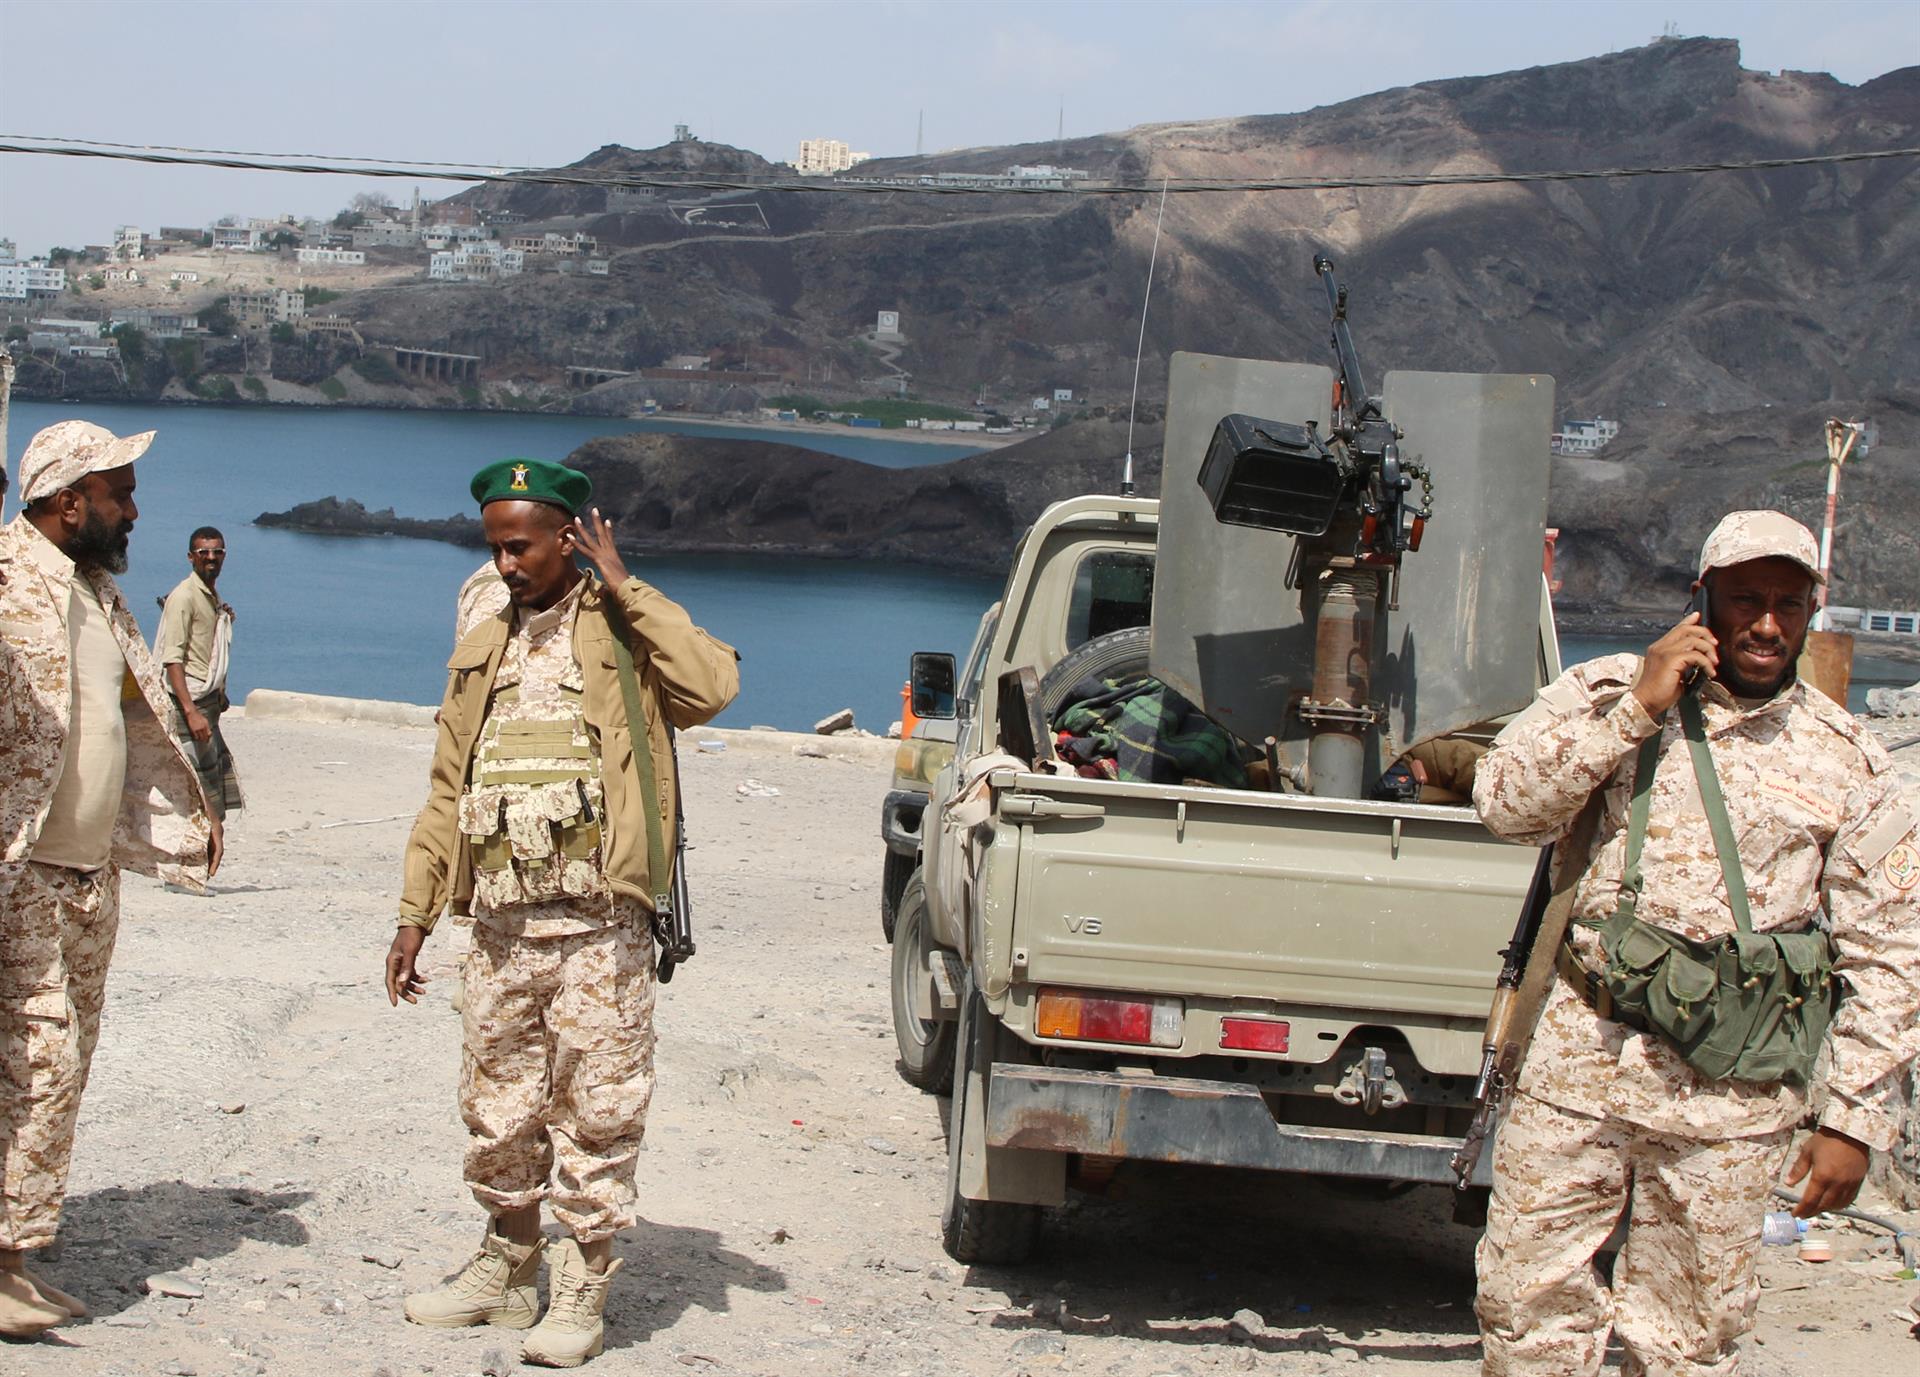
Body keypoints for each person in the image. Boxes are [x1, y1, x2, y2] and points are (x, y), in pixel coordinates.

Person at [1470, 510, 1920, 1377]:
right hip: (1580, 1075)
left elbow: (1892, 953)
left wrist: (1855, 1122)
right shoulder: (1607, 693)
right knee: (1527, 1314)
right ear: (1699, 599)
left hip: (1733, 1103)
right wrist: (1637, 708)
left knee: (1686, 1339)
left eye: (1789, 604)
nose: (1765, 623)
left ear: (1812, 613)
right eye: (1745, 598)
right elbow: (1506, 806)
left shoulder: (1847, 756)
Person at [385, 458, 738, 1367]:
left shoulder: (621, 627)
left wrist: (627, 585)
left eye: (520, 546)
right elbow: (446, 784)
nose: (505, 563)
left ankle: (582, 1284)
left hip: (599, 927)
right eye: (494, 547)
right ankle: (507, 1266)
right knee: (498, 1106)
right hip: (500, 926)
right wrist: (416, 912)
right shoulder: (483, 641)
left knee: (597, 1107)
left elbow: (713, 687)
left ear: (568, 538)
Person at [0, 420, 221, 1337]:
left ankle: (15, 1252)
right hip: (23, 873)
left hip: (90, 876)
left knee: (63, 1058)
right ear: (66, 500)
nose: (134, 510)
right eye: (119, 494)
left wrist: (183, 822)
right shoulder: (8, 587)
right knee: (37, 1056)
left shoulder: (99, 590)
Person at [155, 525, 243, 819]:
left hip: (207, 705)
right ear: (191, 557)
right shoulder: (185, 596)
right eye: (204, 552)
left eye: (217, 552)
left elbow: (205, 645)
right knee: (197, 798)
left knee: (212, 797)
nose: (211, 557)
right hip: (189, 707)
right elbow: (173, 660)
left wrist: (219, 694)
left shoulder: (209, 596)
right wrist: (191, 711)